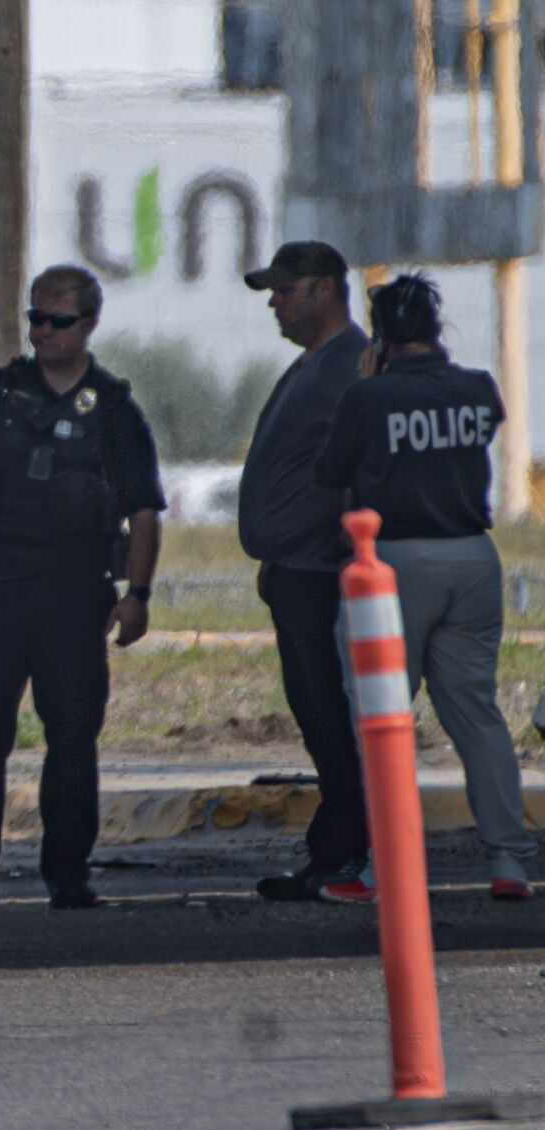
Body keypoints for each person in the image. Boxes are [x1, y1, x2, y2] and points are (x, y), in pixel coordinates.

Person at [0, 264, 165, 913]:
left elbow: (143, 512)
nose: (42, 331)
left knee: (73, 738)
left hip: (75, 597)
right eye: (35, 319)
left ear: (89, 324)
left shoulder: (114, 412)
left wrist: (138, 594)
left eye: (58, 320)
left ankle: (69, 875)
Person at [315, 273, 537, 901]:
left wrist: (369, 383)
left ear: (381, 333)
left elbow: (331, 470)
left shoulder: (368, 398)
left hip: (394, 565)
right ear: (437, 330)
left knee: (382, 719)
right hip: (473, 558)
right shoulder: (477, 389)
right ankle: (508, 862)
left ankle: (386, 871)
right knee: (477, 714)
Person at [239, 241, 374, 902]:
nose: (274, 303)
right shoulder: (313, 367)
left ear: (324, 289)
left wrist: (339, 556)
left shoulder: (356, 364)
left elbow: (360, 472)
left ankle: (343, 855)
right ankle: (336, 850)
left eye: (284, 290)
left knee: (332, 713)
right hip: (294, 569)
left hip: (325, 575)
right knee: (315, 712)